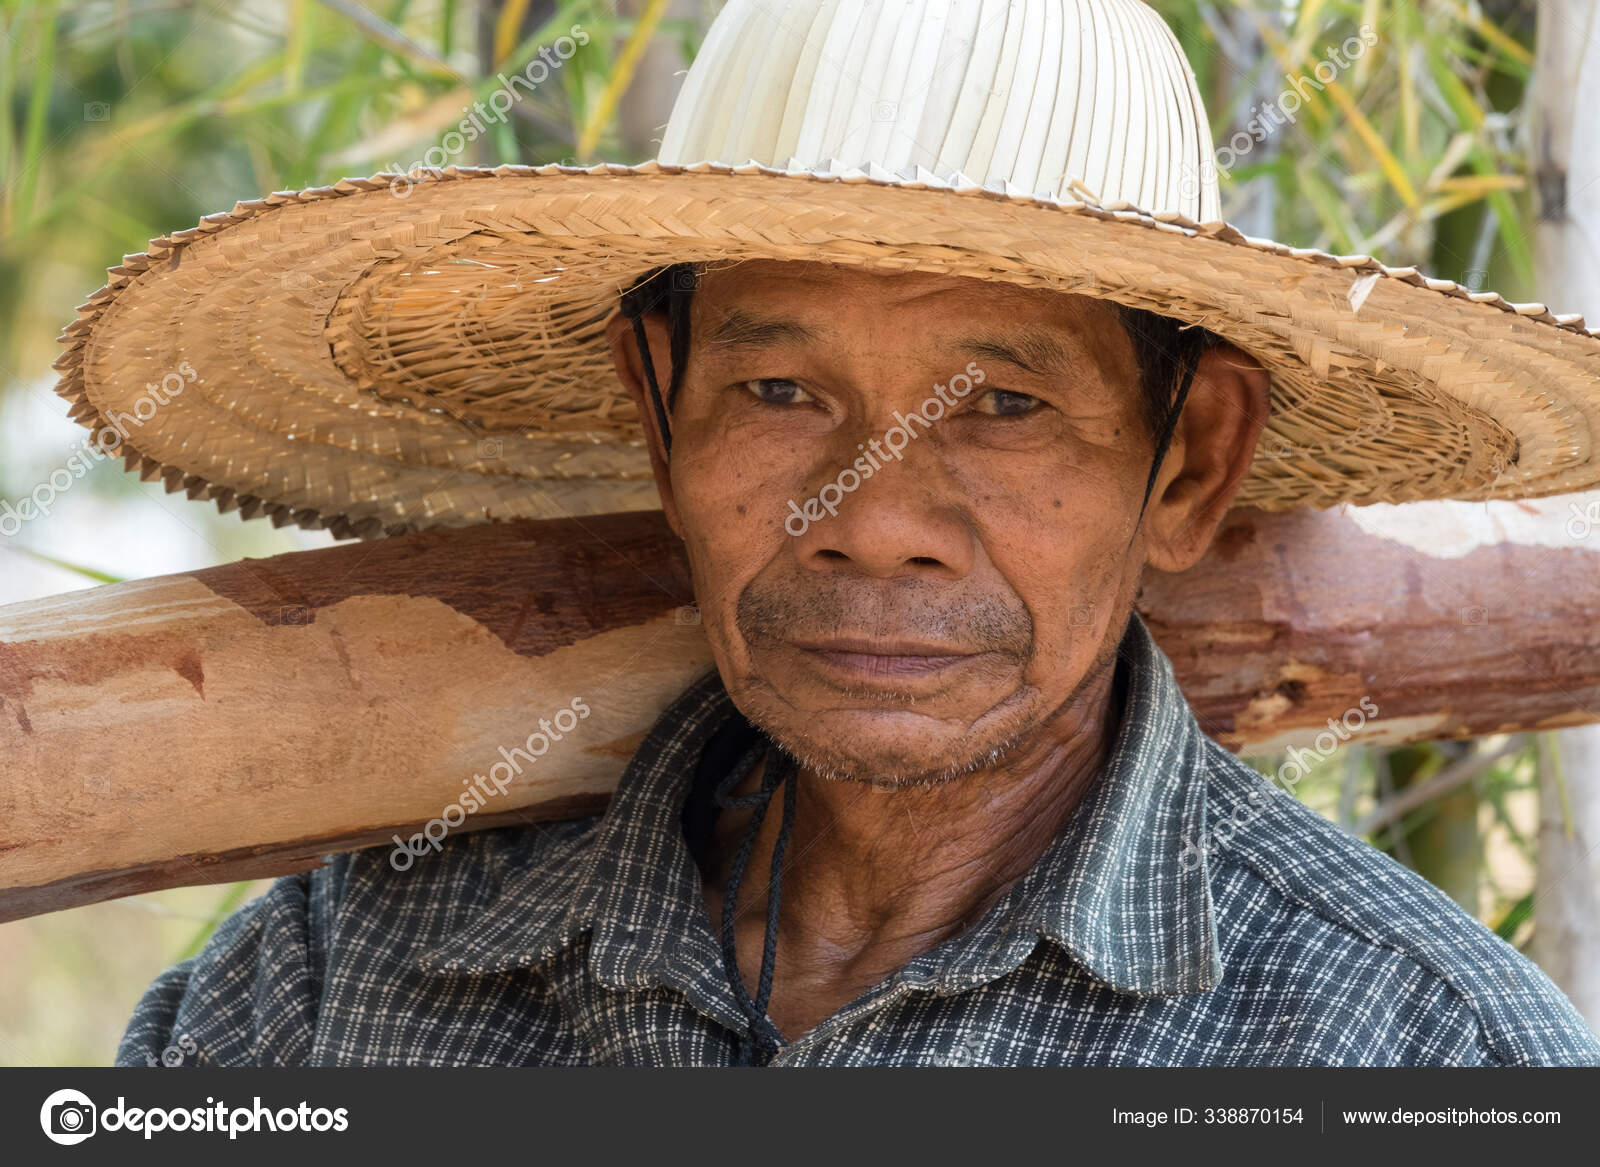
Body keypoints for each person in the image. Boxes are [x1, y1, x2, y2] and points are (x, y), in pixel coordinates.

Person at [101, 0, 1600, 1065]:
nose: (873, 521)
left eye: (1005, 404)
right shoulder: (333, 984)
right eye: (775, 388)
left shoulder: (1414, 1054)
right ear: (657, 412)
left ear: (1193, 462)